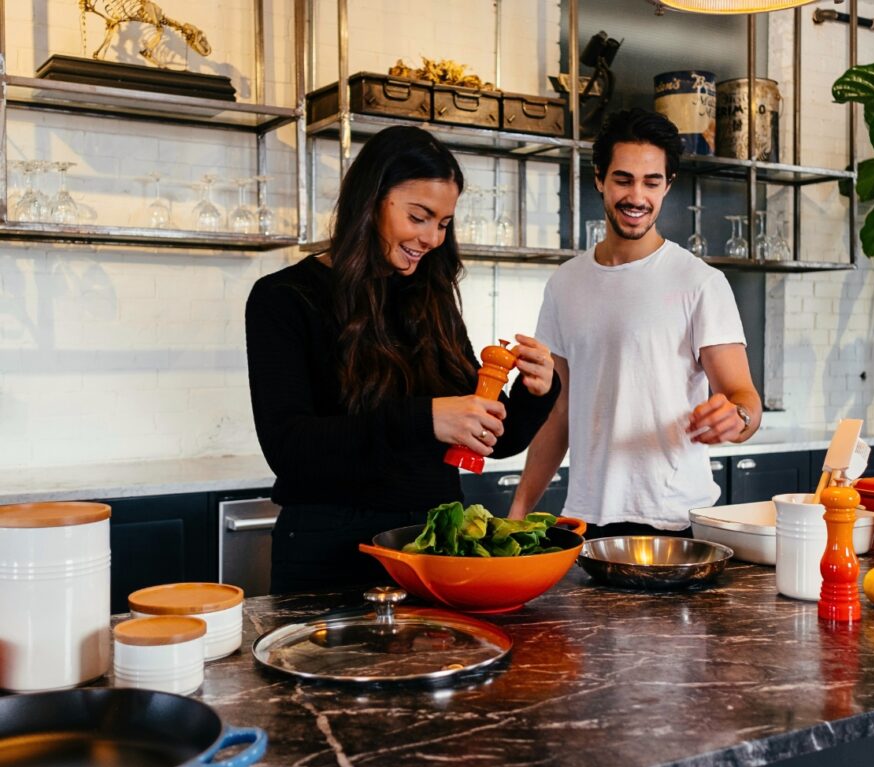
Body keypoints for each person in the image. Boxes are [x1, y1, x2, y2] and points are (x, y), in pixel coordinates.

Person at [245, 125, 559, 594]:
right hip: (328, 558)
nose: (432, 238)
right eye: (419, 216)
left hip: (434, 550)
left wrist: (536, 391)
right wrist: (425, 419)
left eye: (444, 223)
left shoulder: (432, 298)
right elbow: (289, 450)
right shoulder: (284, 298)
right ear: (371, 200)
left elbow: (491, 441)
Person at [507, 107, 761, 537]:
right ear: (599, 179)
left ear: (668, 185)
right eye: (623, 179)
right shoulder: (565, 283)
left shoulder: (700, 282)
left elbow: (744, 398)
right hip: (587, 519)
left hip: (675, 520)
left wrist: (737, 418)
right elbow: (559, 411)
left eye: (651, 182)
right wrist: (518, 511)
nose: (636, 196)